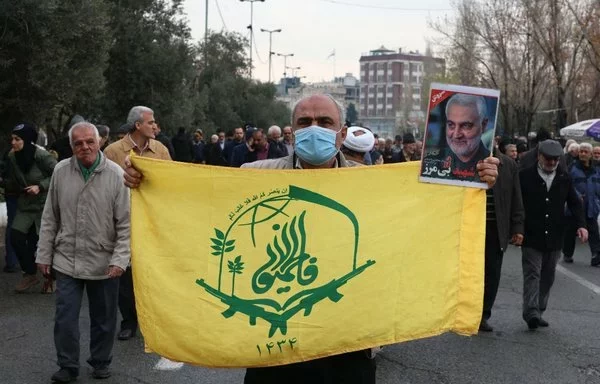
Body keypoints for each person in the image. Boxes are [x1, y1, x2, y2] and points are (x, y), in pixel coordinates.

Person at [122, 93, 500, 383]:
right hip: (272, 349)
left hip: (347, 346)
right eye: (304, 121)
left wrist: (474, 176)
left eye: (323, 121)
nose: (313, 127)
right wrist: (148, 182)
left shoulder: (368, 185)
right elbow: (202, 205)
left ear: (340, 132)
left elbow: (423, 212)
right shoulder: (253, 175)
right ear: (291, 131)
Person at [36, 122, 130, 382]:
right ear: (71, 147)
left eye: (90, 141)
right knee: (64, 318)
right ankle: (68, 365)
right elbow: (49, 217)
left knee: (104, 319)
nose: (85, 147)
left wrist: (120, 260)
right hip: (66, 258)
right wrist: (43, 255)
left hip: (105, 261)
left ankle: (100, 361)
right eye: (78, 143)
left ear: (99, 142)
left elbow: (126, 224)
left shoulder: (115, 174)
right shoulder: (60, 171)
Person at [104, 106, 170, 341]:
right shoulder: (112, 152)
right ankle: (129, 321)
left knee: (153, 272)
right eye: (151, 122)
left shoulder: (160, 150)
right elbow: (105, 186)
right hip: (124, 221)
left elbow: (170, 182)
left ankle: (153, 320)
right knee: (126, 276)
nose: (155, 126)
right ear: (137, 125)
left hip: (153, 221)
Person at [519, 140, 588, 330]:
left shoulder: (564, 178)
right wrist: (516, 229)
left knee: (548, 276)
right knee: (532, 273)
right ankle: (531, 312)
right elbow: (517, 205)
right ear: (539, 156)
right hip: (531, 235)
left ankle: (539, 309)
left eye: (555, 160)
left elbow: (574, 202)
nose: (551, 163)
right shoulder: (525, 176)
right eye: (548, 159)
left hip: (555, 236)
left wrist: (582, 226)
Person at [5, 123, 57, 292]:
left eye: (17, 139)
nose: (13, 142)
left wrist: (40, 186)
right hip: (26, 206)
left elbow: (59, 174)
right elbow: (13, 180)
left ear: (27, 140)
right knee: (16, 237)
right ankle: (30, 274)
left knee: (45, 242)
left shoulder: (42, 156)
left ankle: (51, 278)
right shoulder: (13, 157)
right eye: (12, 139)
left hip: (44, 206)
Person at [479, 148, 524, 332]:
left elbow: (516, 197)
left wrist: (518, 227)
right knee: (469, 272)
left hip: (496, 228)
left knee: (492, 273)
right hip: (471, 227)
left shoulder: (509, 165)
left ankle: (483, 314)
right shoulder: (467, 160)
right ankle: (464, 313)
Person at [563, 143, 600, 267]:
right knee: (570, 231)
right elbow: (567, 184)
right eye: (581, 151)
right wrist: (576, 195)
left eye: (585, 152)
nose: (583, 154)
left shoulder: (596, 169)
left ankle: (596, 255)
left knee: (594, 232)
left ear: (590, 155)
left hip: (591, 207)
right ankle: (567, 253)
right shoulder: (573, 167)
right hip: (575, 207)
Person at [0, 148, 19, 272]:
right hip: (25, 194)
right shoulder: (32, 153)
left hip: (12, 193)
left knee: (12, 226)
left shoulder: (8, 154)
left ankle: (11, 262)